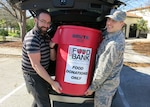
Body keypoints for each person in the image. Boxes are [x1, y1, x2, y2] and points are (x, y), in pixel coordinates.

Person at [85, 10, 126, 107]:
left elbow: (104, 69)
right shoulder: (113, 35)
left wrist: (93, 87)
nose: (109, 23)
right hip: (106, 83)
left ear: (121, 24)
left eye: (114, 21)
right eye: (109, 19)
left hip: (105, 86)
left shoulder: (113, 44)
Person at [22, 9, 62, 107]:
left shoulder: (45, 36)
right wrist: (52, 82)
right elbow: (36, 65)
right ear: (36, 20)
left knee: (39, 100)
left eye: (48, 23)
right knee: (44, 104)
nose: (46, 25)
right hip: (33, 76)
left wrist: (51, 47)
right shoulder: (32, 39)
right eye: (43, 21)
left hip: (42, 73)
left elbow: (52, 59)